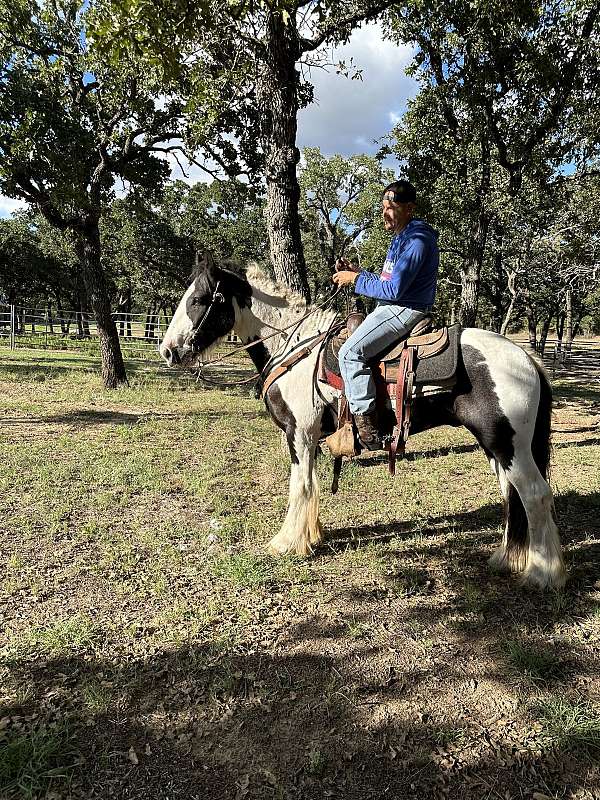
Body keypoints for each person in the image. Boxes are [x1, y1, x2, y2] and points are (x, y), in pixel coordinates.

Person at [331, 179, 439, 450]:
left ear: (409, 208)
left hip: (405, 308)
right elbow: (384, 280)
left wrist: (354, 281)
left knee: (349, 353)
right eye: (383, 208)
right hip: (392, 305)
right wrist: (357, 273)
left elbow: (393, 289)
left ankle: (368, 429)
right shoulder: (401, 238)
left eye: (391, 208)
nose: (385, 213)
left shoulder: (417, 240)